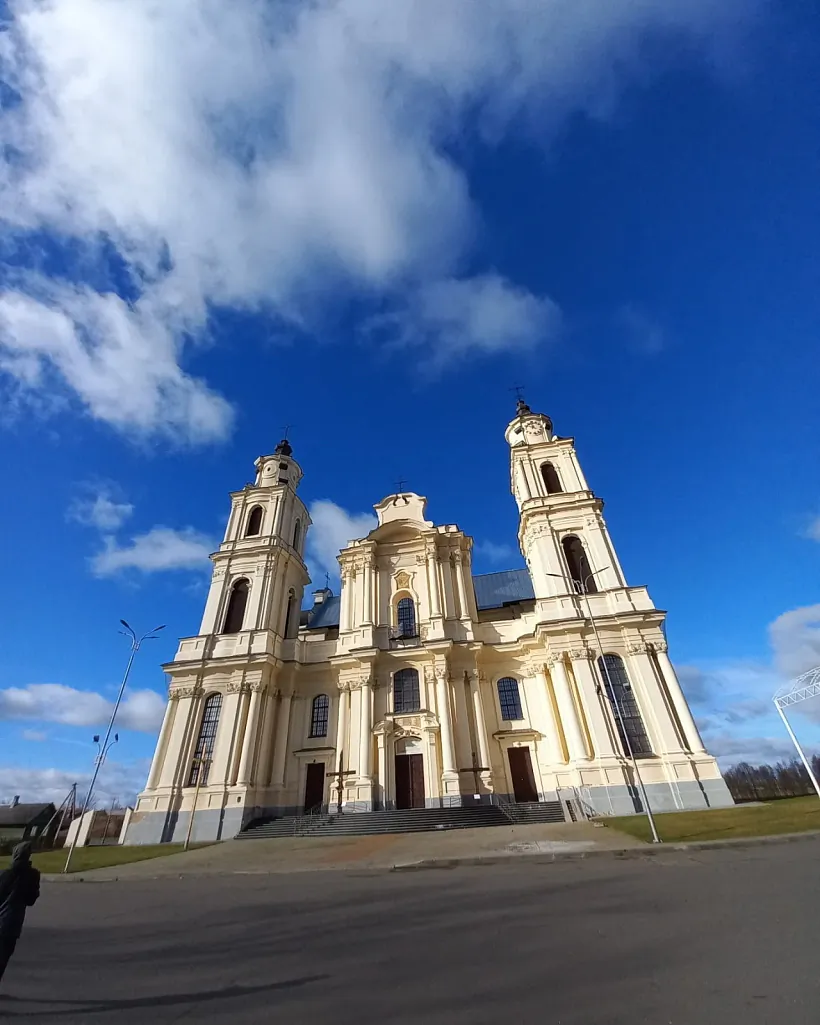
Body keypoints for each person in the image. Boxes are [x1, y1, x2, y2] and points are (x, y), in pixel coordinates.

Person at [0, 842, 40, 990]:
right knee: (3, 958)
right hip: (13, 924)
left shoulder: (4, 874)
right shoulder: (33, 876)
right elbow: (31, 900)